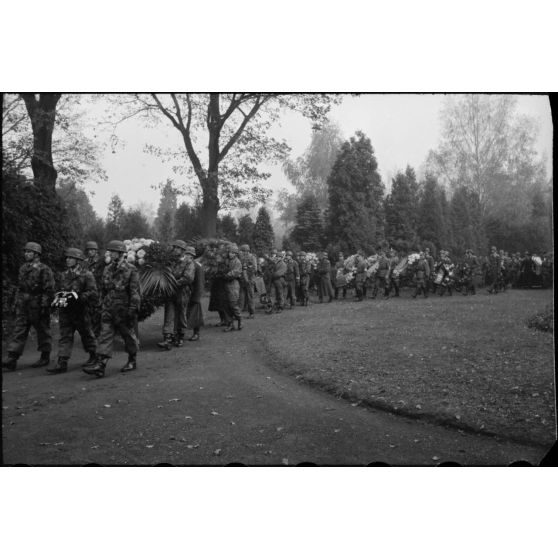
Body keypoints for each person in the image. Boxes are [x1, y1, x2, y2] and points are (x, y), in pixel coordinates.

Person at [82, 240, 140, 377]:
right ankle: (101, 365)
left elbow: (135, 291)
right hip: (108, 308)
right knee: (105, 335)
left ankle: (132, 359)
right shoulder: (107, 269)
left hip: (123, 309)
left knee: (128, 335)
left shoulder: (131, 269)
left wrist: (133, 308)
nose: (110, 253)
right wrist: (101, 305)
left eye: (113, 251)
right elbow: (103, 289)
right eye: (110, 251)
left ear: (120, 253)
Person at [2, 242, 55, 371]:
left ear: (36, 254)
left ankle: (45, 356)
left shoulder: (44, 269)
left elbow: (49, 289)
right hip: (24, 304)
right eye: (25, 252)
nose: (26, 254)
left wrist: (44, 305)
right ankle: (12, 358)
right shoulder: (23, 268)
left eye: (29, 252)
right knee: (19, 330)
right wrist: (16, 302)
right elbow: (20, 288)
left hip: (38, 304)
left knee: (43, 331)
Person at [46, 248, 98, 374]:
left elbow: (93, 292)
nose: (68, 260)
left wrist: (80, 297)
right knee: (65, 336)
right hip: (66, 311)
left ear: (78, 260)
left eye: (71, 258)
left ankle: (94, 356)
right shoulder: (63, 275)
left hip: (80, 311)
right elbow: (57, 290)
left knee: (87, 335)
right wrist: (56, 299)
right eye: (67, 258)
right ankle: (62, 362)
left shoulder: (87, 274)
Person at [157, 240, 196, 350]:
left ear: (182, 250)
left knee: (181, 314)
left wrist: (174, 283)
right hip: (171, 292)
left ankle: (180, 336)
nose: (175, 250)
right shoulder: (172, 261)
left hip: (182, 292)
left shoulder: (188, 262)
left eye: (177, 248)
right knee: (169, 314)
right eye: (174, 248)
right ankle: (167, 339)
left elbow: (188, 278)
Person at [83, 240, 105, 337]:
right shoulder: (85, 262)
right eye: (89, 250)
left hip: (98, 290)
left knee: (97, 313)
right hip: (87, 291)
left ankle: (96, 334)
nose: (90, 252)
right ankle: (91, 333)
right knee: (88, 313)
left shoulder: (101, 261)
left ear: (96, 251)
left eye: (92, 250)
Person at [221, 243, 243, 331]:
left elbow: (235, 273)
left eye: (233, 253)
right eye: (230, 252)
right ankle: (230, 324)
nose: (230, 254)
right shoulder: (226, 261)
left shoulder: (237, 262)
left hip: (233, 284)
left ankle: (240, 320)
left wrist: (226, 275)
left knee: (233, 304)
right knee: (226, 305)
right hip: (226, 284)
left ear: (236, 254)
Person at [186, 248, 205, 341]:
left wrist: (197, 296)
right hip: (188, 294)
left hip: (194, 294)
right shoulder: (188, 264)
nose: (185, 256)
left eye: (187, 254)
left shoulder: (197, 266)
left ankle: (196, 333)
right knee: (189, 313)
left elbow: (200, 283)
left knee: (195, 314)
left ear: (191, 256)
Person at [239, 244, 258, 319]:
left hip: (250, 279)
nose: (243, 252)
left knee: (250, 297)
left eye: (244, 251)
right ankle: (238, 313)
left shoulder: (252, 257)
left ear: (247, 251)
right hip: (242, 280)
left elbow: (254, 269)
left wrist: (248, 278)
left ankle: (252, 313)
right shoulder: (241, 258)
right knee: (241, 297)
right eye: (242, 251)